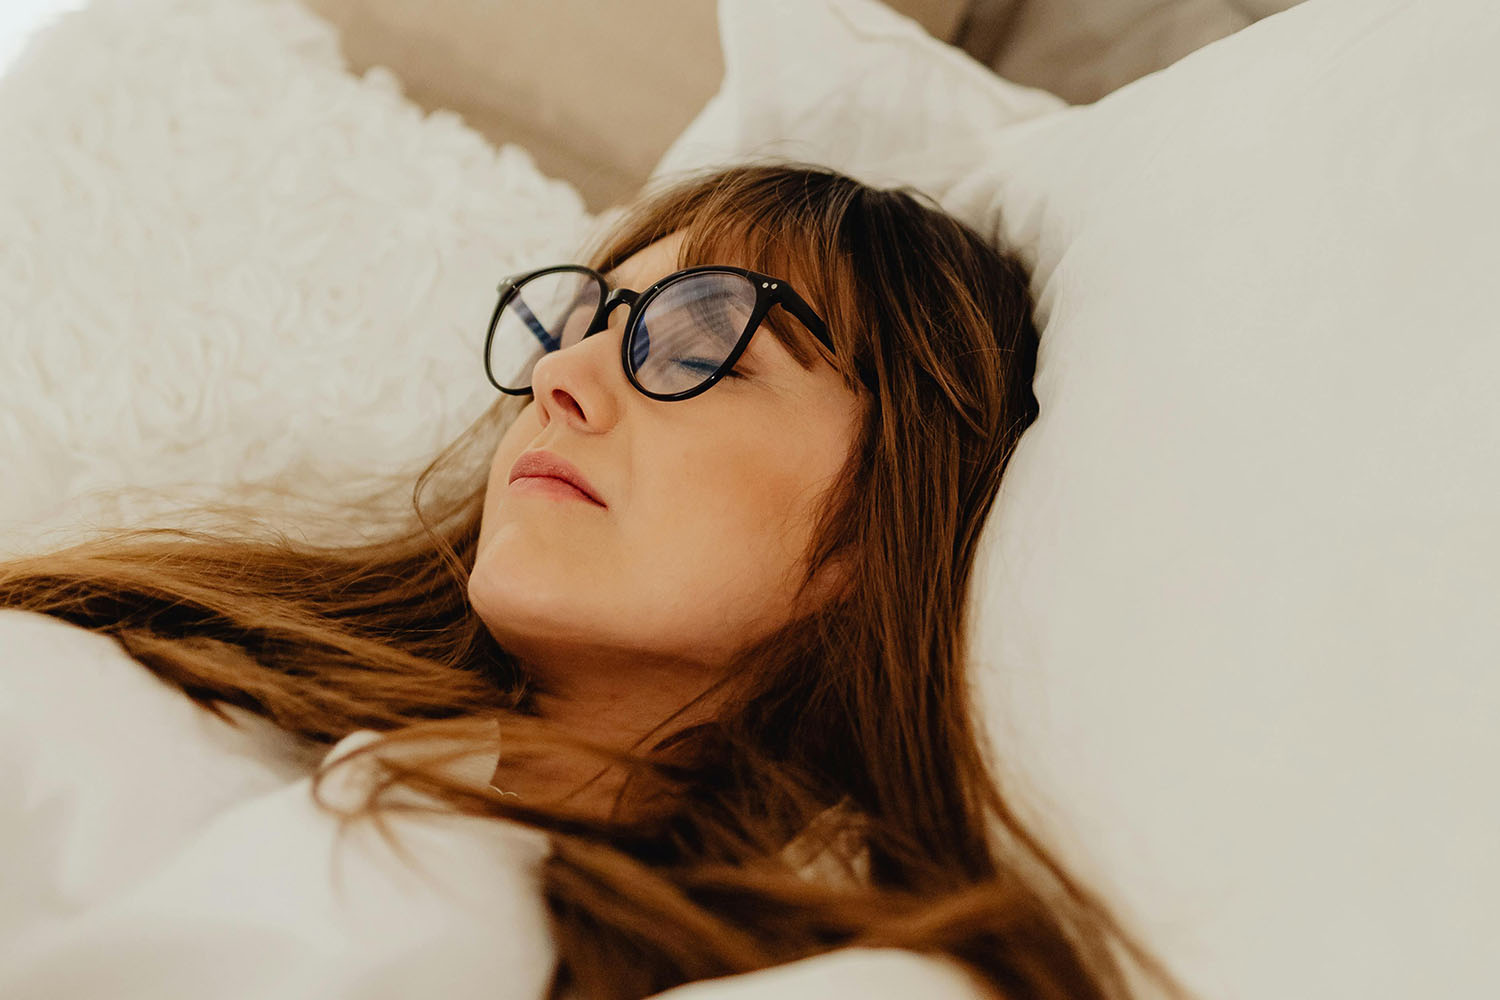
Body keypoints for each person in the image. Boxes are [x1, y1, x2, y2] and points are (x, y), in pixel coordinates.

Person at [0, 163, 1194, 1000]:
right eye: (580, 321)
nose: (561, 376)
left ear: (881, 520)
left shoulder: (855, 977)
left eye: (700, 339)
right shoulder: (147, 670)